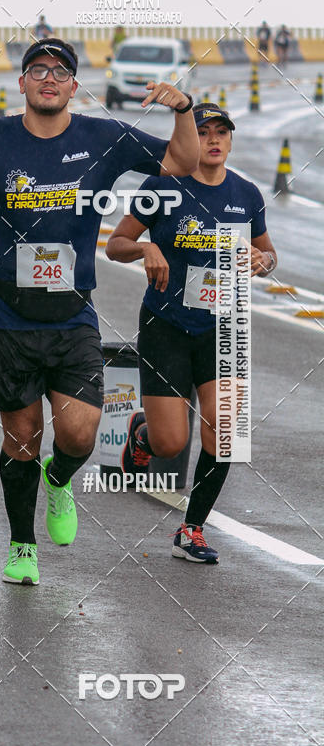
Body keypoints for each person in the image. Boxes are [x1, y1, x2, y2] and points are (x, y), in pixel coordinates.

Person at [0, 37, 199, 586]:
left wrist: (183, 109)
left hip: (72, 314)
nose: (48, 78)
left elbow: (181, 161)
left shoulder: (103, 138)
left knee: (80, 432)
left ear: (74, 87)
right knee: (22, 436)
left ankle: (59, 482)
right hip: (5, 313)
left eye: (60, 71)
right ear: (23, 83)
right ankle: (22, 546)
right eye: (38, 70)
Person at [106, 103, 277, 564]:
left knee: (226, 435)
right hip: (168, 324)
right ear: (189, 138)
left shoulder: (246, 193)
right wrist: (145, 247)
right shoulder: (162, 186)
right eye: (204, 132)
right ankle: (142, 435)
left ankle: (192, 528)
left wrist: (264, 263)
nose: (214, 140)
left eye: (222, 132)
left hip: (225, 327)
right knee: (171, 444)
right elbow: (115, 244)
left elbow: (267, 252)